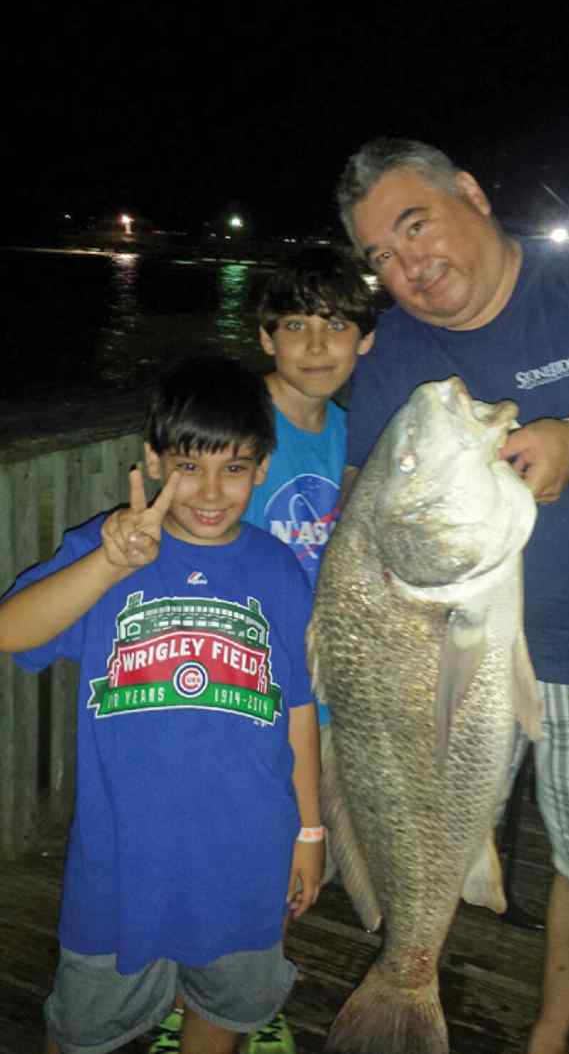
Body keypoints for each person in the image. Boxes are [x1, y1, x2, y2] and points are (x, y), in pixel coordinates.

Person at [335, 136, 569, 1054]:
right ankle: (410, 980)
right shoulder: (393, 357)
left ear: (469, 191)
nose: (406, 268)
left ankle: (548, 1030)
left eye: (414, 225)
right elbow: (365, 516)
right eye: (379, 257)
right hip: (453, 680)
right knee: (431, 835)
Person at [0, 354, 324, 1054]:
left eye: (234, 469)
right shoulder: (105, 548)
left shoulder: (280, 568)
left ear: (263, 467)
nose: (210, 492)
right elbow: (11, 630)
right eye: (188, 466)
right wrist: (110, 564)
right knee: (82, 1030)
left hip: (250, 857)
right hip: (121, 868)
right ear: (151, 461)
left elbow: (297, 709)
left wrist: (310, 832)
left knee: (225, 1013)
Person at [150, 246, 378, 1053]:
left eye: (338, 324)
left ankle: (243, 989)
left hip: (309, 666)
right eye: (295, 325)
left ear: (366, 342)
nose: (317, 344)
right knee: (210, 834)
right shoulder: (237, 422)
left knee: (281, 840)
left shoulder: (356, 434)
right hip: (225, 666)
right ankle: (196, 989)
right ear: (265, 336)